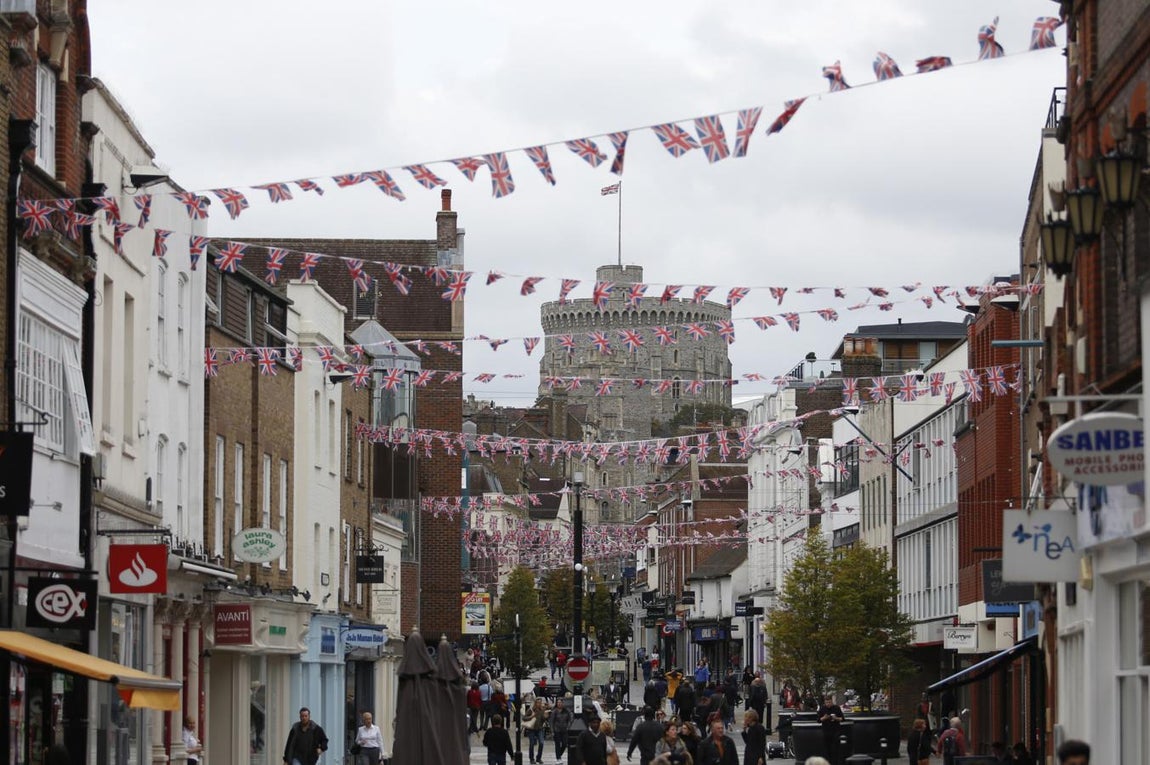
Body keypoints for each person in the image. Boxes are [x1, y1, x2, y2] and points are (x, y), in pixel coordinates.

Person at [817, 695, 844, 765]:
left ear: (832, 701)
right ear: (824, 703)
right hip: (826, 732)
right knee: (827, 749)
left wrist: (836, 718)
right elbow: (818, 720)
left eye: (829, 702)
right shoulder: (822, 709)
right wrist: (824, 717)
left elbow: (842, 719)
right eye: (826, 702)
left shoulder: (836, 708)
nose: (828, 704)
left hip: (836, 731)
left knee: (835, 749)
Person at [524, 697, 547, 764]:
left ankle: (538, 758)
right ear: (535, 703)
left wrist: (545, 717)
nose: (539, 704)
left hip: (540, 729)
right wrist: (531, 716)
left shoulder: (542, 710)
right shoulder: (531, 710)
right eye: (538, 702)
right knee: (531, 744)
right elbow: (524, 718)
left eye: (540, 703)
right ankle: (531, 759)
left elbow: (543, 720)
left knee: (541, 743)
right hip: (531, 729)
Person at [551, 697, 573, 762]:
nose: (559, 704)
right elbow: (551, 721)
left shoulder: (566, 711)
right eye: (558, 703)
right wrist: (552, 730)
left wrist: (568, 726)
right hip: (557, 729)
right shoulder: (554, 711)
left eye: (560, 702)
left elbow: (570, 718)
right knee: (557, 744)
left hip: (565, 729)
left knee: (564, 743)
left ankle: (559, 755)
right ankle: (558, 758)